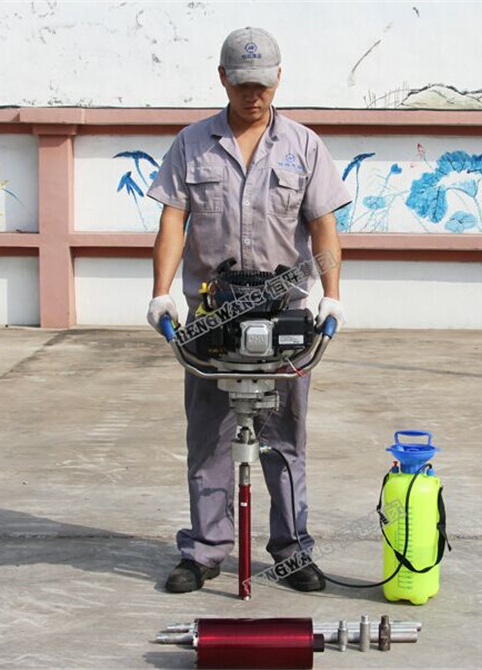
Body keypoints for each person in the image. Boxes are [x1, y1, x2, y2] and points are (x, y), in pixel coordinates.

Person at [146, 26, 350, 593]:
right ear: (222, 78)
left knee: (284, 440)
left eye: (262, 84)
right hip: (211, 318)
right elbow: (172, 221)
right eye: (241, 84)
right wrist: (162, 292)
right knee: (210, 438)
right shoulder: (191, 144)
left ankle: (291, 551)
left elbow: (323, 227)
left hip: (285, 316)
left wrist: (332, 295)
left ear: (278, 79)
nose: (252, 95)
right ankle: (205, 551)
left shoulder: (304, 147)